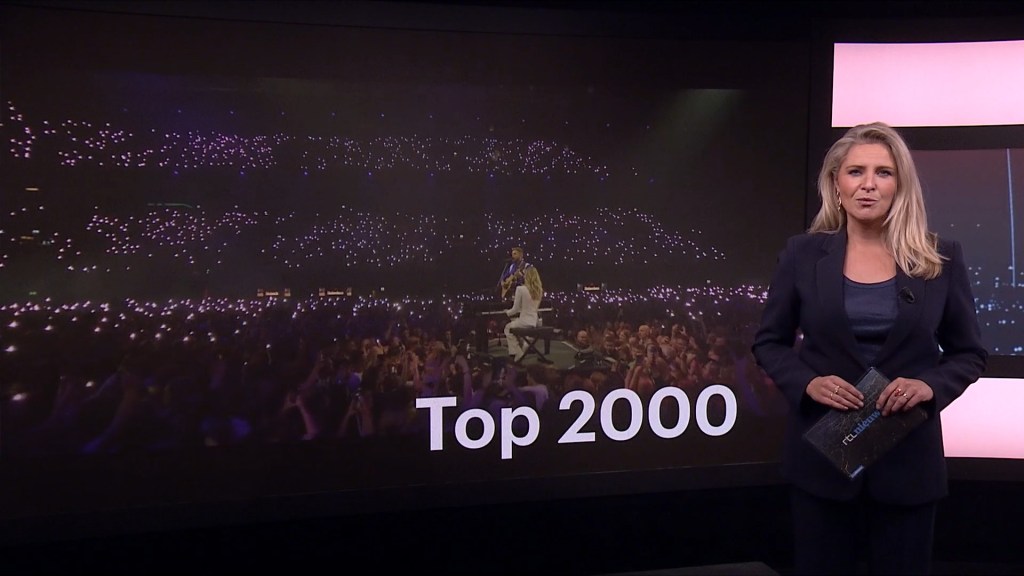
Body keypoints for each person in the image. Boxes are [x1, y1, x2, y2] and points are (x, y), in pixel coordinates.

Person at [751, 122, 987, 575]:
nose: (868, 184)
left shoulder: (940, 258)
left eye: (884, 172)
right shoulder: (802, 255)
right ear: (836, 184)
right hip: (824, 461)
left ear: (901, 185)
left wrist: (928, 386)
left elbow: (969, 353)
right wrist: (808, 383)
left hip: (908, 462)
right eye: (856, 171)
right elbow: (769, 342)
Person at [503, 266, 543, 363]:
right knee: (515, 324)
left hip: (524, 322)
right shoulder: (539, 290)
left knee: (507, 328)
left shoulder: (520, 289)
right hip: (534, 322)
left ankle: (517, 354)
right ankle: (519, 352)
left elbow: (515, 309)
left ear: (527, 276)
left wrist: (507, 312)